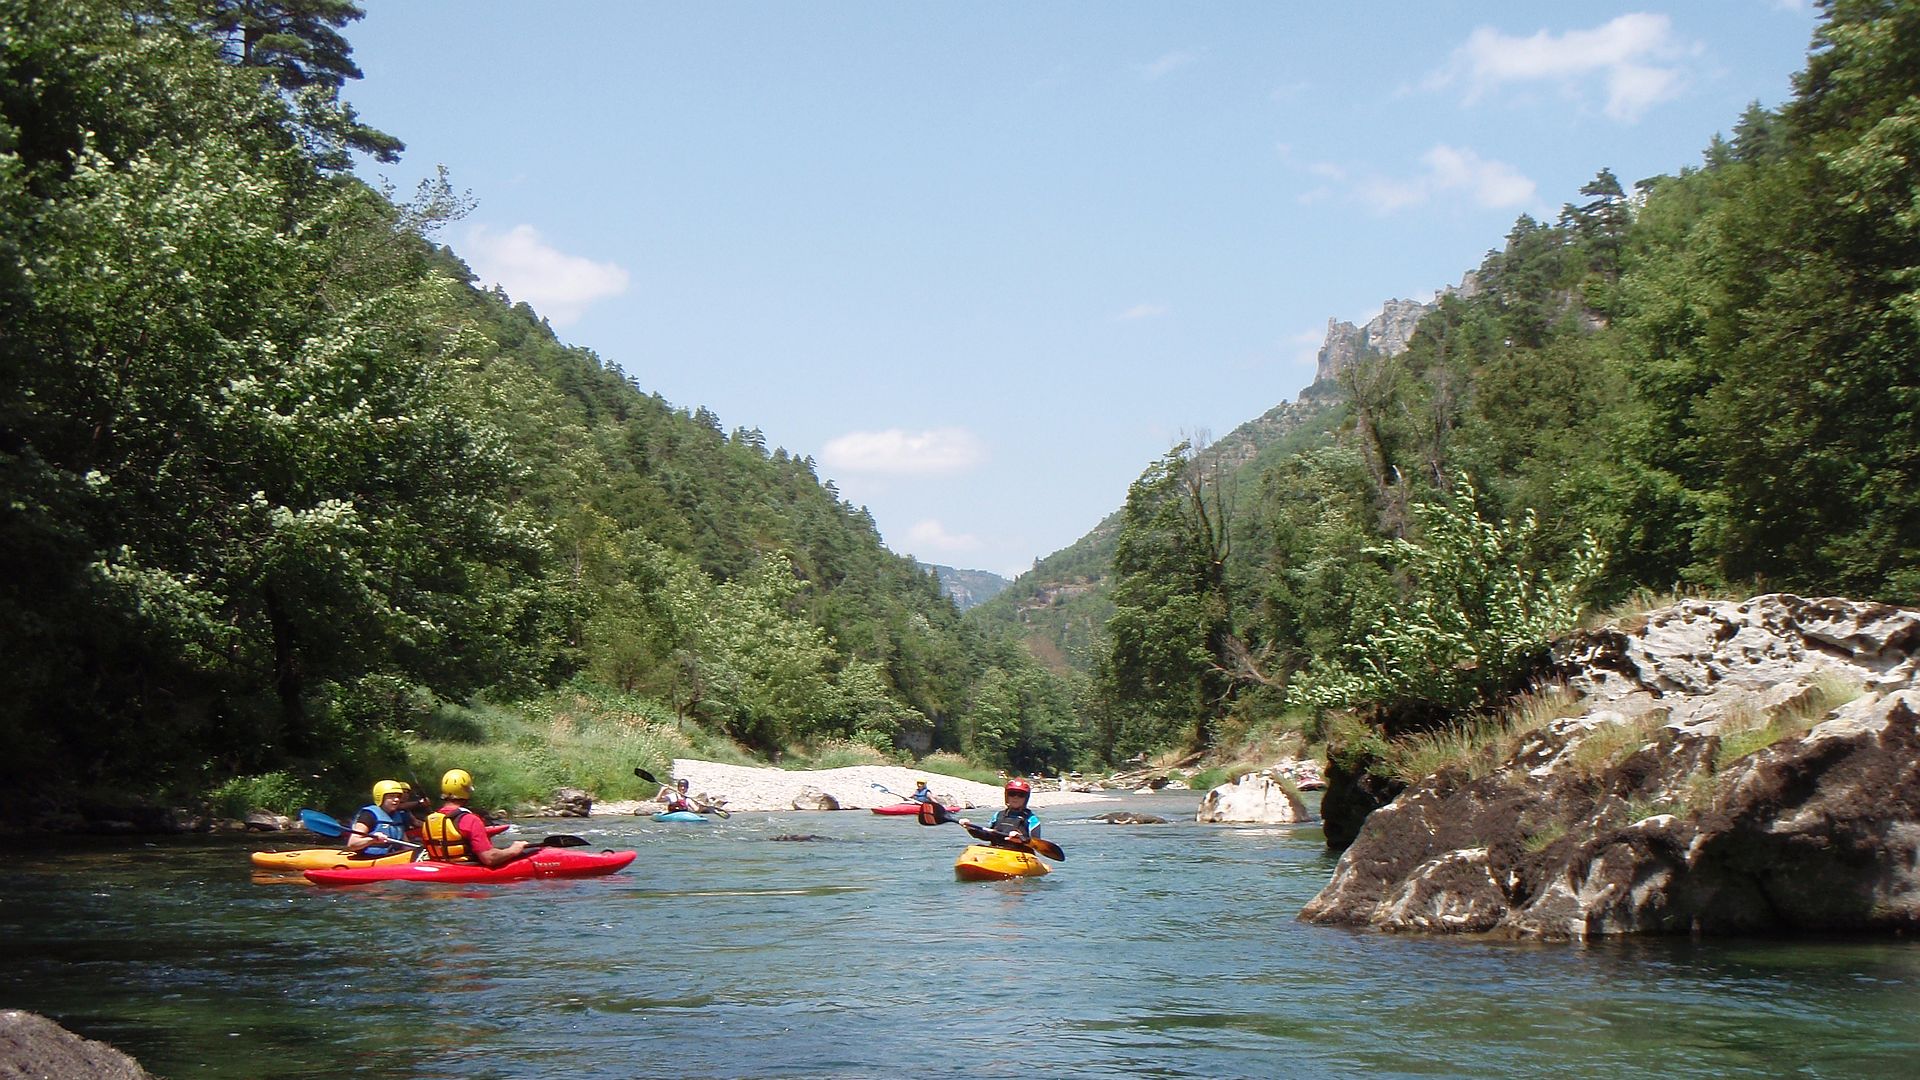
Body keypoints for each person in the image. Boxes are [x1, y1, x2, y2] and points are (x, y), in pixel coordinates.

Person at [421, 768, 530, 867]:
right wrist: (513, 850)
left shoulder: (429, 820)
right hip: (465, 871)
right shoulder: (470, 820)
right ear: (466, 791)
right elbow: (489, 858)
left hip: (439, 867)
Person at [345, 779, 418, 857]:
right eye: (391, 796)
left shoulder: (397, 816)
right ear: (381, 798)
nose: (396, 800)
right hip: (369, 858)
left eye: (398, 797)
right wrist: (372, 840)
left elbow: (405, 844)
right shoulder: (369, 815)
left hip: (392, 857)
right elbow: (352, 844)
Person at [960, 778, 1040, 847]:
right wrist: (970, 828)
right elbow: (987, 836)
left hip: (1020, 855)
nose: (1015, 797)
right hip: (997, 853)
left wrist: (1020, 839)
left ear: (1026, 798)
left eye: (1021, 795)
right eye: (1012, 794)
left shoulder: (1032, 819)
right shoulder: (998, 815)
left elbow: (1037, 844)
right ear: (1007, 796)